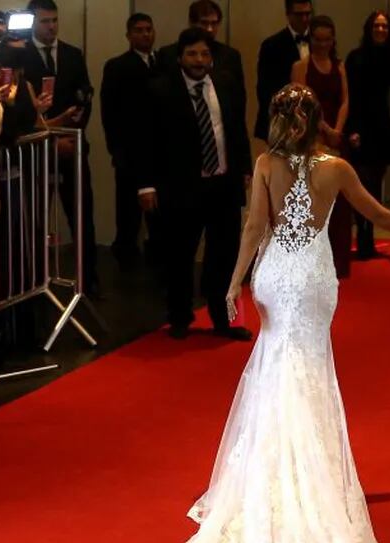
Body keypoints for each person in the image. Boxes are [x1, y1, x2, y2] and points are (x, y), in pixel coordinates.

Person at [148, 83, 390, 543]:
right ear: (316, 122)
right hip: (311, 280)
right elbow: (377, 213)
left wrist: (233, 283)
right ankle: (307, 481)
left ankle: (271, 477)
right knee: (308, 372)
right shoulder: (336, 168)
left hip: (274, 278)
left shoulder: (264, 163)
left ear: (279, 120)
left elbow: (253, 228)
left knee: (276, 368)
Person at [135, 28, 252, 341]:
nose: (199, 60)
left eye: (204, 54)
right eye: (192, 54)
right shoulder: (159, 90)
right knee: (180, 256)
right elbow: (145, 142)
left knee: (224, 256)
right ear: (179, 58)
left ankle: (223, 319)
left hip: (223, 185)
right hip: (182, 188)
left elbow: (237, 130)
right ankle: (179, 318)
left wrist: (244, 169)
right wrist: (146, 185)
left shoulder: (225, 84)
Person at [21, 0, 100, 295]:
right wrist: (51, 139)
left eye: (54, 20)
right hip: (35, 151)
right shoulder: (21, 56)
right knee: (35, 219)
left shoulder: (72, 54)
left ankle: (88, 280)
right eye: (44, 21)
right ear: (32, 23)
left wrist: (72, 134)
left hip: (73, 147)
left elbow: (84, 97)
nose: (51, 26)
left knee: (82, 217)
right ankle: (35, 281)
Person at [291, 15, 352, 278]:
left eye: (328, 39)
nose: (323, 44)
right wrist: (326, 130)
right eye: (318, 39)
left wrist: (338, 129)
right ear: (311, 39)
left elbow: (346, 100)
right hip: (311, 138)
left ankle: (337, 262)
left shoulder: (340, 66)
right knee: (314, 202)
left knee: (340, 203)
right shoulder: (301, 65)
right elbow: (303, 103)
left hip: (336, 138)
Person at [345, 9, 390, 259]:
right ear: (369, 30)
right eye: (376, 26)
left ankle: (368, 236)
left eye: (385, 27)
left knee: (375, 185)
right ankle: (362, 234)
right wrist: (352, 129)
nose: (381, 30)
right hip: (360, 124)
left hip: (381, 125)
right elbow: (350, 97)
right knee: (361, 184)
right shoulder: (356, 57)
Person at [101, 13, 161, 267]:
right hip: (129, 152)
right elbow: (110, 113)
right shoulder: (117, 66)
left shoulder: (163, 63)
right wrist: (117, 150)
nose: (145, 34)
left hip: (158, 152)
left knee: (159, 218)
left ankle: (156, 263)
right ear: (128, 35)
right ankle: (125, 265)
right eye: (139, 30)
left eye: (149, 29)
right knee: (128, 217)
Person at [157, 0, 246, 104]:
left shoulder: (230, 56)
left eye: (214, 23)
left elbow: (239, 98)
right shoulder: (169, 54)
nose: (209, 29)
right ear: (191, 23)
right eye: (204, 23)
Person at [254, 0, 313, 141]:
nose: (304, 19)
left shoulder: (319, 41)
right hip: (283, 123)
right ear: (288, 15)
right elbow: (265, 90)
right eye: (299, 14)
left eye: (307, 14)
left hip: (313, 122)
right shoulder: (271, 45)